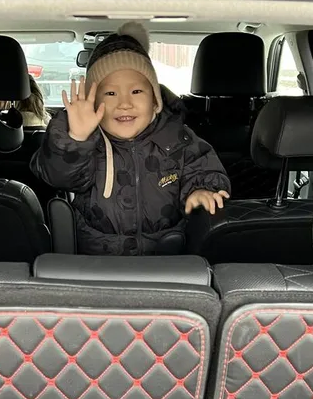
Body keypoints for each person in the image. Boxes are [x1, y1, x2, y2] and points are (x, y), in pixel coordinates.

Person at [30, 22, 230, 256]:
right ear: (94, 103)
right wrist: (76, 139)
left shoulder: (178, 138)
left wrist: (202, 190)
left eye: (136, 91)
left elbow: (203, 168)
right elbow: (57, 177)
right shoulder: (91, 143)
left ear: (155, 100)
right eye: (110, 93)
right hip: (96, 260)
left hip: (167, 259)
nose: (124, 103)